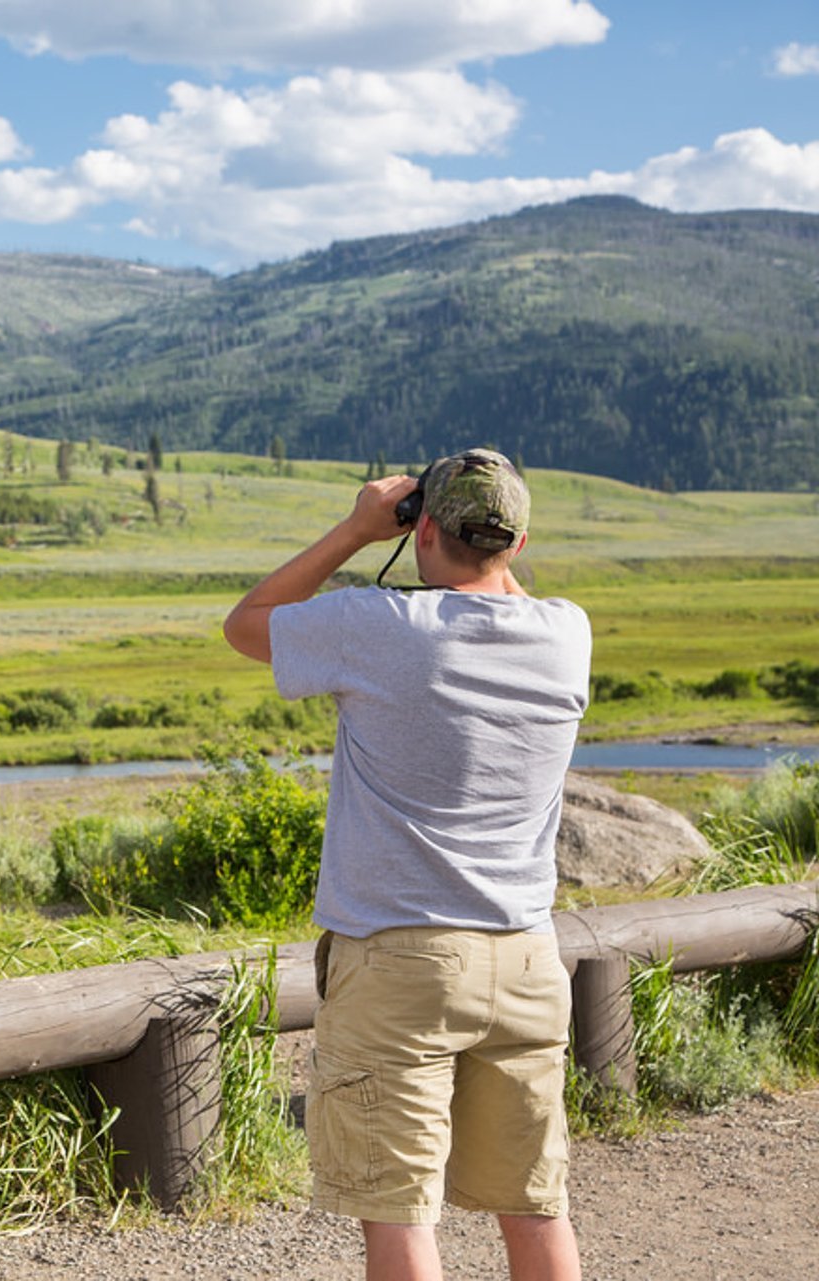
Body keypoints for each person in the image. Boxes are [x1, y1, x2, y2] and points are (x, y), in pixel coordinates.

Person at [222, 449, 590, 1281]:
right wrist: (484, 546)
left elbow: (247, 624)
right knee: (535, 1203)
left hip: (401, 964)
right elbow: (506, 595)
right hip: (528, 958)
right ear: (519, 541)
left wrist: (356, 530)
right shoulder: (567, 632)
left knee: (398, 1211)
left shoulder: (379, 626)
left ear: (420, 528)